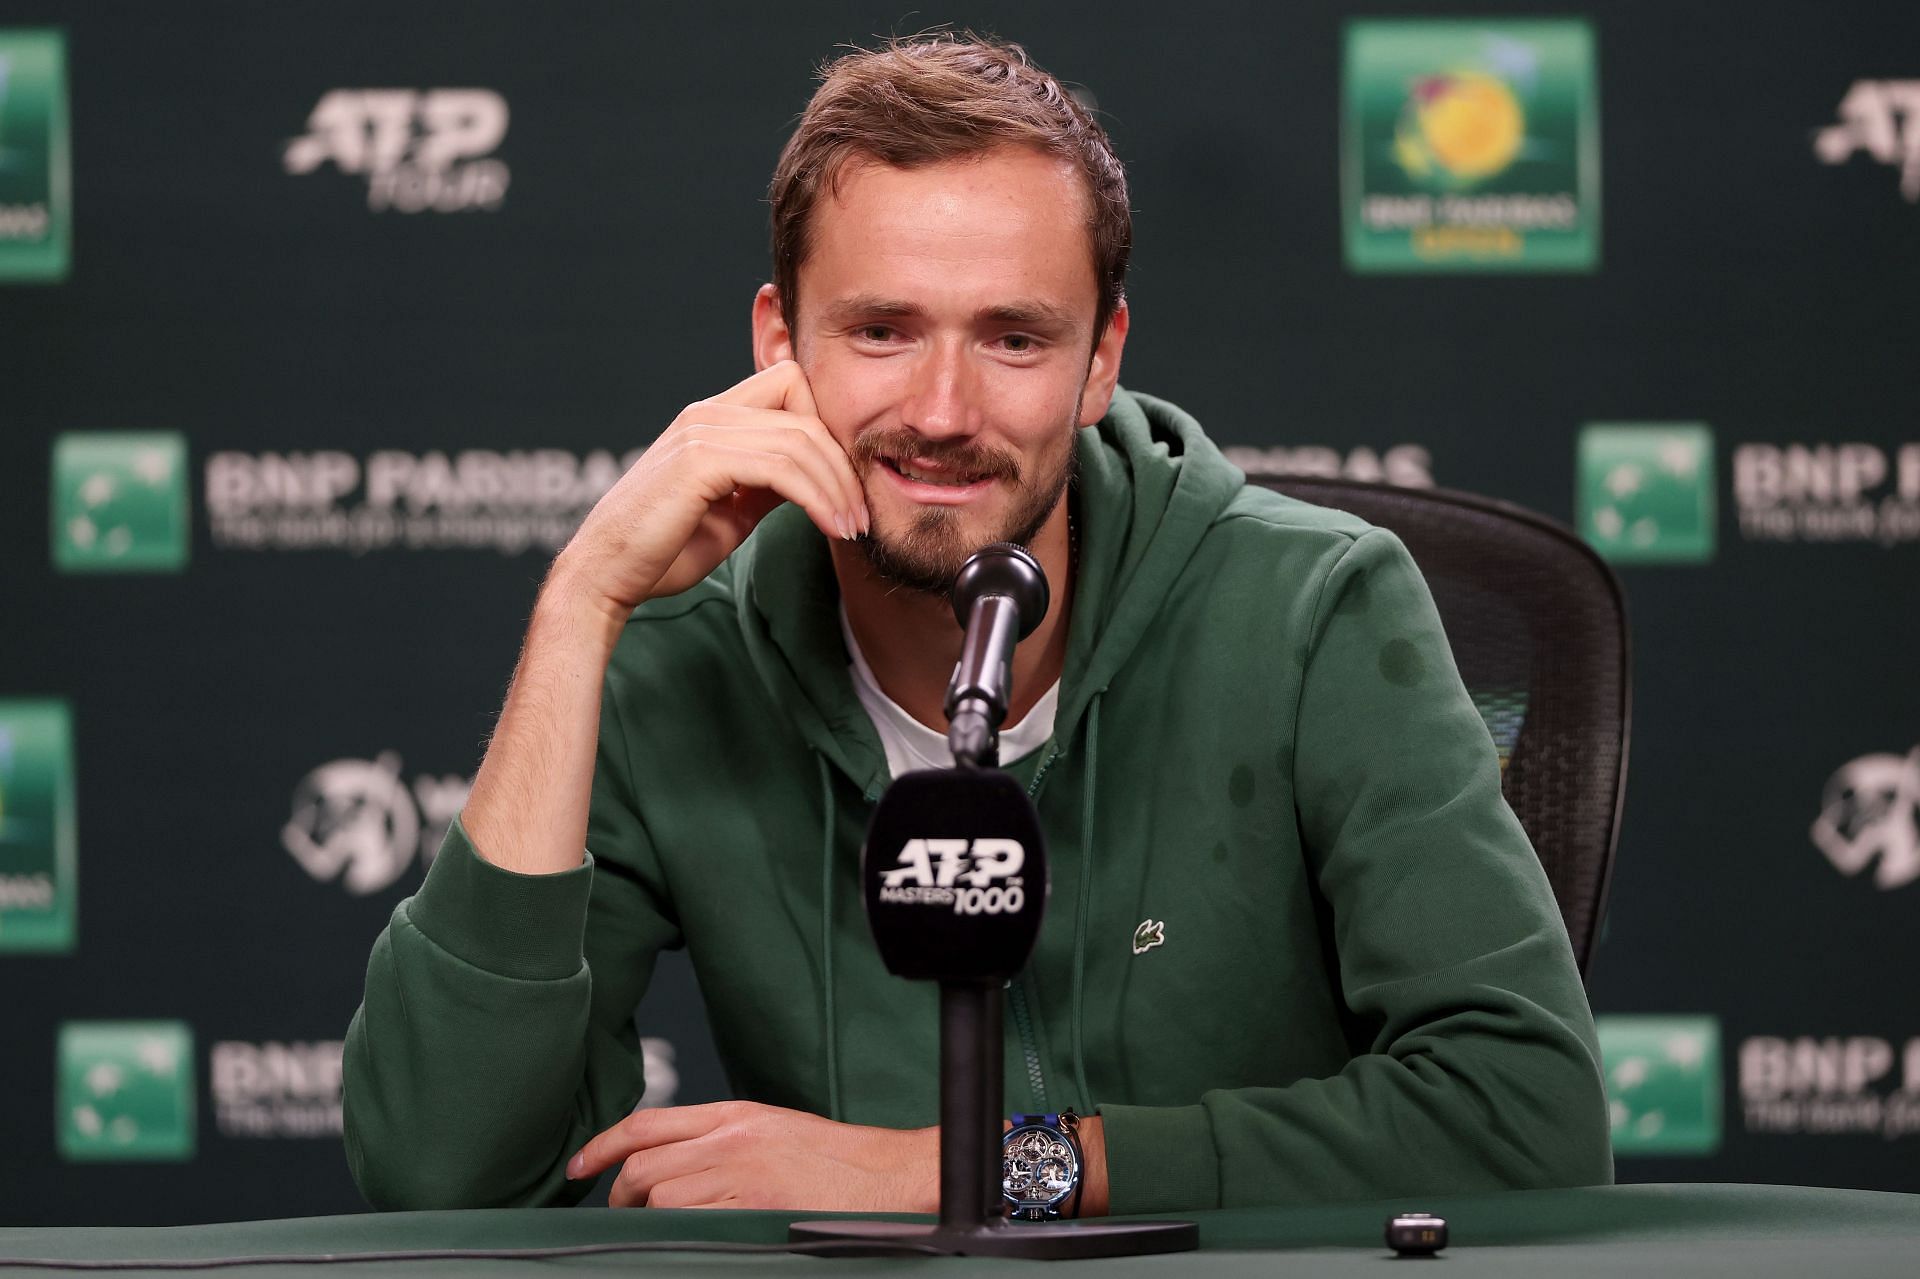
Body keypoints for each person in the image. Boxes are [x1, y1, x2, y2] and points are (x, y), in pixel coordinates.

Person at [342, 34, 1612, 1216]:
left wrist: (954, 1171)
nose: (943, 410)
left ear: (1101, 357)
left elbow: (1528, 1120)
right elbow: (440, 1176)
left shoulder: (1314, 608)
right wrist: (581, 609)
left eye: (1012, 337)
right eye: (881, 331)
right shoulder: (679, 648)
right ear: (779, 340)